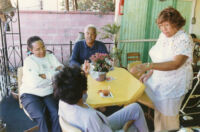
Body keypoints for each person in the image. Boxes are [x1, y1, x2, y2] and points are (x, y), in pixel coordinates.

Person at [130, 7, 194, 131]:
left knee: (167, 119)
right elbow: (159, 57)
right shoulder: (164, 35)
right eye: (160, 25)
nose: (163, 29)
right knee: (156, 112)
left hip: (173, 84)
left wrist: (149, 66)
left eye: (166, 25)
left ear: (176, 23)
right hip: (159, 80)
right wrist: (150, 72)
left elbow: (176, 64)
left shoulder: (184, 39)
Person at [53, 65, 149, 132]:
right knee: (134, 127)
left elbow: (82, 98)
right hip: (101, 127)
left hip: (98, 126)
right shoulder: (90, 117)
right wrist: (125, 126)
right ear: (83, 90)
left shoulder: (63, 102)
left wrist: (85, 75)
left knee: (135, 107)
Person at [20, 36, 62, 132]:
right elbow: (35, 82)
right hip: (30, 94)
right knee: (41, 116)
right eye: (37, 49)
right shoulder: (29, 62)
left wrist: (45, 75)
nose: (42, 51)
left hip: (48, 92)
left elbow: (62, 70)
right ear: (31, 50)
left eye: (43, 47)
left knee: (56, 113)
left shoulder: (51, 57)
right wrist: (53, 75)